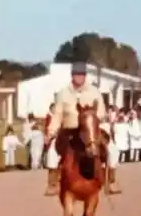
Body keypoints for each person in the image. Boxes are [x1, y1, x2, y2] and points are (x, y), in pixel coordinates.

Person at [43, 62, 121, 195]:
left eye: (82, 75)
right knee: (52, 152)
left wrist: (92, 118)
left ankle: (112, 181)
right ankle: (52, 183)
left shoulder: (94, 92)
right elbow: (57, 115)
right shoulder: (63, 93)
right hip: (69, 130)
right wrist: (50, 132)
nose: (79, 77)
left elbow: (101, 111)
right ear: (72, 76)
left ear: (85, 76)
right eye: (76, 75)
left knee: (113, 150)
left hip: (90, 129)